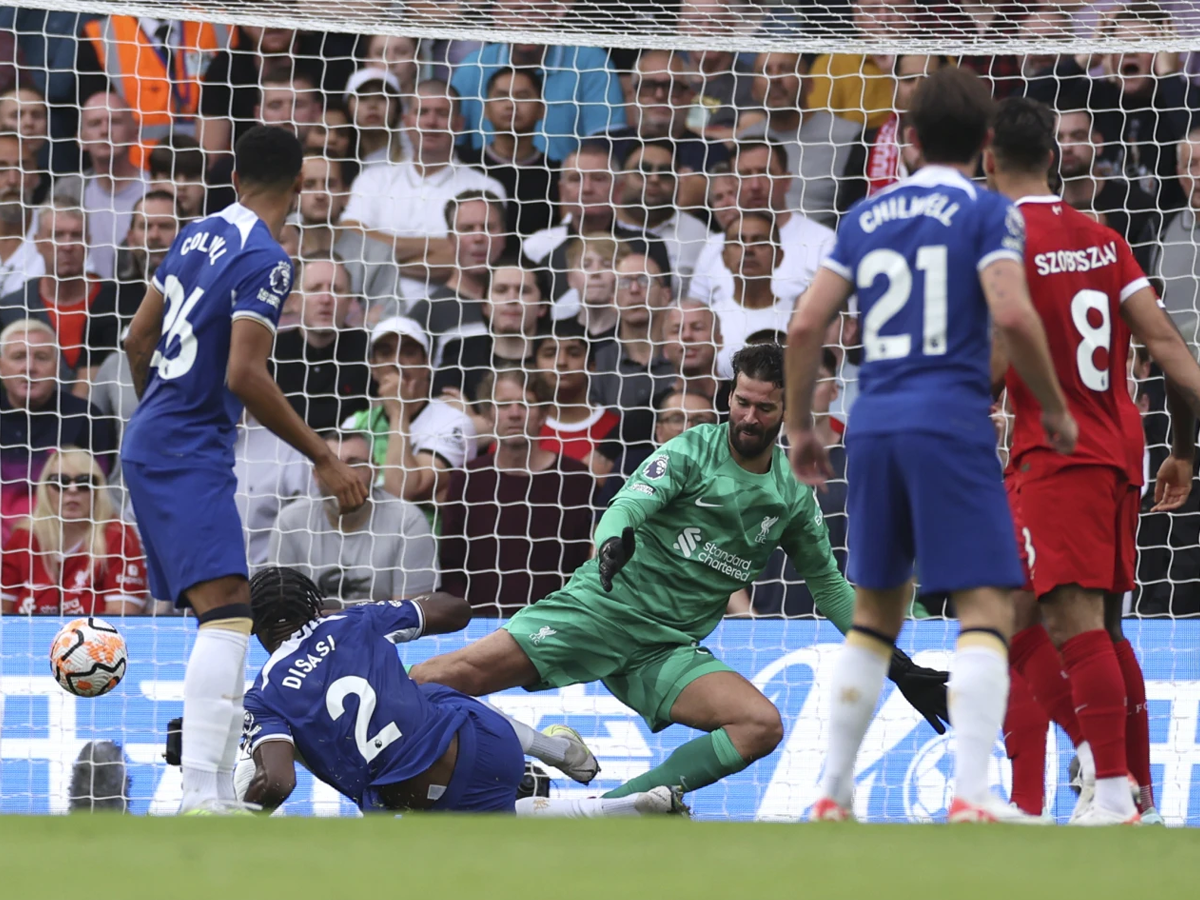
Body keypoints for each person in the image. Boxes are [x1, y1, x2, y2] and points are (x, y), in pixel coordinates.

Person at [412, 343, 951, 801]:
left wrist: (896, 664)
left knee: (759, 726)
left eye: (765, 408)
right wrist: (611, 545)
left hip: (666, 648)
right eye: (742, 402)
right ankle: (531, 751)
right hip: (600, 609)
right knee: (432, 680)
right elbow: (625, 508)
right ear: (730, 396)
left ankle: (614, 808)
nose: (749, 417)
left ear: (788, 411)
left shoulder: (792, 498)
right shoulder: (691, 451)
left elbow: (831, 590)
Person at [786, 67, 1075, 824]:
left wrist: (799, 424)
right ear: (986, 143)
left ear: (908, 140)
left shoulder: (867, 216)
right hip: (949, 421)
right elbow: (1012, 315)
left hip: (874, 422)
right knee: (985, 604)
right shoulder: (988, 211)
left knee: (875, 612)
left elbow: (805, 326)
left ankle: (832, 792)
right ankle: (973, 796)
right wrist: (1052, 405)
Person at [118, 125, 366, 815]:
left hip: (158, 440)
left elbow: (137, 338)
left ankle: (206, 789)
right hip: (184, 449)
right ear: (298, 185)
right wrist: (323, 455)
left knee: (222, 610)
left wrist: (161, 412)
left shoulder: (195, 233)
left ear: (233, 181)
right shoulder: (267, 257)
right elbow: (245, 373)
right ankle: (199, 794)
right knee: (228, 611)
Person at [986, 97, 1200, 824]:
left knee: (1073, 624)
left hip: (1057, 450)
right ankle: (1126, 785)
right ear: (1054, 156)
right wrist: (1184, 447)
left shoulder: (1002, 241)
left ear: (990, 160)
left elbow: (989, 360)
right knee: (1053, 621)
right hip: (1120, 448)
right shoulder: (1104, 240)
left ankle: (1112, 788)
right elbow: (1170, 349)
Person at [238, 566, 683, 817]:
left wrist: (241, 816)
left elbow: (278, 782)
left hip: (418, 798)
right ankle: (556, 750)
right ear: (316, 606)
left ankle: (622, 810)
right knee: (424, 687)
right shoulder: (353, 621)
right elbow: (458, 611)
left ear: (255, 627)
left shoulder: (263, 697)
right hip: (486, 745)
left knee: (453, 824)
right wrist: (369, 613)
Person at [438, 369, 595, 615]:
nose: (514, 413)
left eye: (525, 404)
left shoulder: (576, 478)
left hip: (556, 626)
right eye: (503, 405)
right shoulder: (465, 479)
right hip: (480, 627)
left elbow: (584, 563)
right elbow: (451, 565)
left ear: (543, 414)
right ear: (489, 416)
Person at [341, 80, 507, 298]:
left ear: (458, 124)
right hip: (373, 309)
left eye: (441, 113)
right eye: (422, 112)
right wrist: (435, 247)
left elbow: (476, 259)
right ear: (407, 122)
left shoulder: (486, 187)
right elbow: (351, 242)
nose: (431, 122)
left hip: (453, 311)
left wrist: (381, 255)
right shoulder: (372, 179)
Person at [269, 430, 437, 604]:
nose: (343, 475)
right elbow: (284, 611)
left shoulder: (408, 521)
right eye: (333, 465)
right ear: (316, 475)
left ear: (375, 470)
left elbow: (410, 616)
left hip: (384, 631)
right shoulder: (290, 522)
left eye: (354, 464)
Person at [450, 9, 626, 163]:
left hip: (564, 187)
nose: (526, 21)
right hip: (482, 185)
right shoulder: (473, 66)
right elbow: (452, 141)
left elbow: (607, 142)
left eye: (535, 11)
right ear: (497, 17)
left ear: (555, 14)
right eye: (516, 11)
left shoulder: (590, 61)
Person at [0, 319, 116, 543]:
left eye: (41, 357)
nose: (29, 367)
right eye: (18, 357)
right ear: (1, 366)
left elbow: (97, 496)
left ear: (56, 367)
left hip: (69, 545)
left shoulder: (84, 418)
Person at [342, 316, 476, 506]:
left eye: (409, 352)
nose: (396, 361)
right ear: (373, 367)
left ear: (426, 365)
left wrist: (398, 411)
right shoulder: (354, 424)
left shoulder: (455, 423)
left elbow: (401, 491)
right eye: (386, 352)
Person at [687, 141, 834, 310]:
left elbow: (841, 319)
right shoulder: (714, 246)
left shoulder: (822, 241)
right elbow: (695, 315)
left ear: (786, 181)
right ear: (733, 184)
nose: (755, 185)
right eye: (745, 175)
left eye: (766, 174)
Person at [1, 447, 147, 616]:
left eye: (84, 481)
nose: (72, 490)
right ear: (45, 489)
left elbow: (122, 618)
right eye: (60, 481)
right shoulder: (23, 538)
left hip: (93, 641)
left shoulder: (119, 537)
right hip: (26, 640)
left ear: (98, 490)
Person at [736, 53, 863, 228]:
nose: (775, 78)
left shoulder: (849, 136)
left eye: (786, 69)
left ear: (810, 84)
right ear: (753, 90)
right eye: (765, 71)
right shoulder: (743, 142)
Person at [606, 50, 731, 211]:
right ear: (633, 94)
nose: (659, 95)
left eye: (672, 87)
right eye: (648, 86)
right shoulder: (606, 146)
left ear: (690, 96)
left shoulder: (712, 152)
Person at [270, 254, 371, 432]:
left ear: (349, 302)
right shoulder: (270, 353)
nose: (325, 299)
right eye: (315, 289)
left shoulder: (370, 352)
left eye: (336, 290)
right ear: (294, 301)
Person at [456, 67, 559, 238]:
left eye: (523, 97)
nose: (511, 104)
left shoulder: (556, 175)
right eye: (501, 96)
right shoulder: (464, 166)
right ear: (486, 110)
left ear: (542, 109)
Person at [1056, 108, 1159, 269]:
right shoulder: (1041, 209)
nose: (1067, 146)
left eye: (1078, 136)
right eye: (1059, 138)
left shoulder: (1137, 207)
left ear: (1098, 143)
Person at [434, 258, 547, 403]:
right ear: (485, 305)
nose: (512, 299)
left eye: (523, 291)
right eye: (501, 290)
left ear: (543, 306)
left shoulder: (559, 361)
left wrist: (474, 421)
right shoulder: (458, 360)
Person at [404, 190, 507, 341]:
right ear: (451, 239)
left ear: (504, 236)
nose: (478, 237)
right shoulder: (427, 313)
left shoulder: (526, 304)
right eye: (467, 229)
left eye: (488, 227)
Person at [613, 140, 709, 297]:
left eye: (665, 172)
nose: (654, 179)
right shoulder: (600, 225)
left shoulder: (699, 235)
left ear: (678, 181)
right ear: (622, 178)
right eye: (644, 170)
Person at [76, 92, 148, 281]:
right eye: (94, 123)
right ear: (81, 138)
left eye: (115, 122)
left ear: (135, 132)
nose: (105, 130)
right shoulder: (68, 191)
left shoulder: (156, 190)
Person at [1153, 127, 1200, 352]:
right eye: (1191, 165)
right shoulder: (1159, 228)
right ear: (1179, 173)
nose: (1198, 174)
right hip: (1173, 369)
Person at [0, 130, 45, 297]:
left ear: (36, 177)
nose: (12, 180)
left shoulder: (59, 231)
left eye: (22, 167)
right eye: (1, 168)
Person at [147, 134, 206, 221]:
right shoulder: (138, 233)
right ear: (153, 182)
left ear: (205, 183)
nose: (181, 185)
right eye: (171, 177)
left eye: (191, 177)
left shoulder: (222, 232)